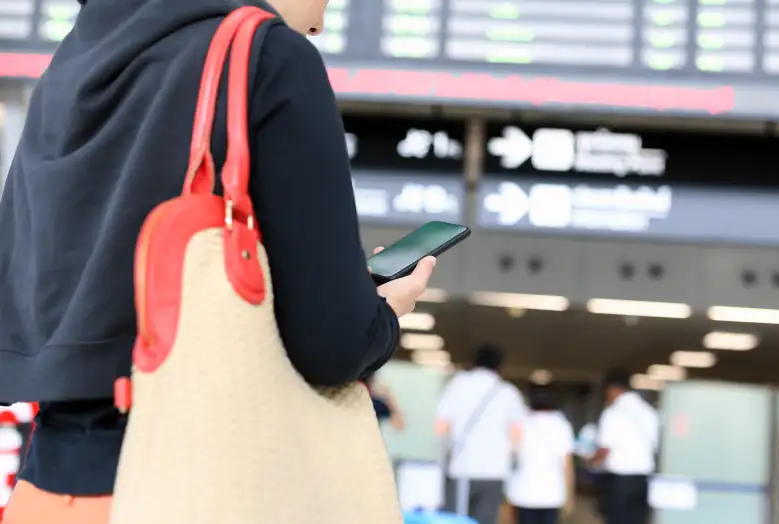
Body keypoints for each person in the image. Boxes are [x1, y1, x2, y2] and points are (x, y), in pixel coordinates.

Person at [0, 0, 436, 522]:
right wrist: (381, 312)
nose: (321, 21)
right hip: (196, 482)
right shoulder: (268, 56)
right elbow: (332, 347)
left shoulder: (72, 60)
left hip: (47, 491)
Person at [435, 345, 526, 524]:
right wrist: (513, 459)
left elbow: (441, 427)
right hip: (494, 471)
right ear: (500, 366)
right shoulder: (508, 393)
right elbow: (516, 435)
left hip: (461, 468)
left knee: (455, 520)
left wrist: (447, 452)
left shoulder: (457, 385)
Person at [590, 368, 660, 524]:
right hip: (643, 481)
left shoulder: (613, 412)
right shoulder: (648, 412)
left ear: (612, 389)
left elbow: (604, 450)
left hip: (620, 482)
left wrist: (592, 461)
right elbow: (656, 445)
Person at [506, 385, 575, 524]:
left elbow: (510, 456)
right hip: (552, 494)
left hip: (523, 493)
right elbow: (567, 464)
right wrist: (570, 496)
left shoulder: (520, 422)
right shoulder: (561, 425)